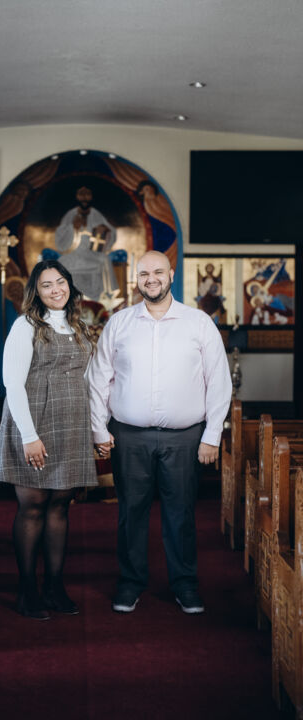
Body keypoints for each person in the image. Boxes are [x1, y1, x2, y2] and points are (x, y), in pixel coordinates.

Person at [88, 250, 232, 615]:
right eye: (144, 274)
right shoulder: (119, 323)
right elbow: (99, 379)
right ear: (136, 279)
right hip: (128, 435)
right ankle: (130, 582)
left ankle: (185, 584)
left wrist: (212, 435)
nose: (151, 279)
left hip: (184, 437)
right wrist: (98, 428)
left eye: (158, 272)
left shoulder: (198, 323)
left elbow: (219, 380)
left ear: (171, 275)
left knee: (180, 513)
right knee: (130, 512)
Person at [0, 259, 98, 620]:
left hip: (71, 422)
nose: (55, 290)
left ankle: (54, 585)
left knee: (60, 506)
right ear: (36, 292)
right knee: (33, 506)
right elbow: (12, 384)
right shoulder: (26, 325)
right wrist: (29, 435)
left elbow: (89, 379)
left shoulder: (80, 326)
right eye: (46, 285)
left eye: (60, 282)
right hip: (33, 420)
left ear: (70, 285)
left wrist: (97, 428)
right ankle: (27, 589)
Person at [55, 186, 118, 301]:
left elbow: (111, 231)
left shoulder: (96, 214)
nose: (84, 198)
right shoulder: (70, 214)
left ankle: (101, 299)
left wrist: (104, 230)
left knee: (105, 260)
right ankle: (68, 299)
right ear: (76, 197)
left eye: (87, 194)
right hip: (74, 252)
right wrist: (72, 227)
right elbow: (60, 236)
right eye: (81, 194)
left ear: (92, 197)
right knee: (61, 263)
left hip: (92, 253)